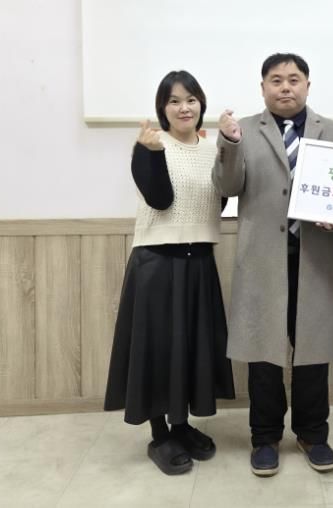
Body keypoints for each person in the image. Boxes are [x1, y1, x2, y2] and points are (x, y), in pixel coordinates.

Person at [213, 53, 333, 477]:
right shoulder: (243, 130)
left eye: (294, 79)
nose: (285, 87)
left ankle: (313, 434)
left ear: (308, 84)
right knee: (263, 354)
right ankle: (265, 436)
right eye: (276, 80)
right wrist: (229, 144)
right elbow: (227, 185)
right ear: (263, 88)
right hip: (263, 260)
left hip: (316, 259)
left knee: (313, 353)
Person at [104, 70, 235, 475]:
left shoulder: (213, 149)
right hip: (156, 262)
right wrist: (151, 154)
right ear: (163, 108)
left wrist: (230, 145)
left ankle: (182, 425)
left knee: (191, 348)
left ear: (201, 104)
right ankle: (160, 435)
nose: (184, 107)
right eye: (174, 101)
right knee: (159, 350)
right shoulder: (150, 144)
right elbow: (160, 200)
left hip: (199, 261)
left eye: (191, 99)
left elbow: (222, 199)